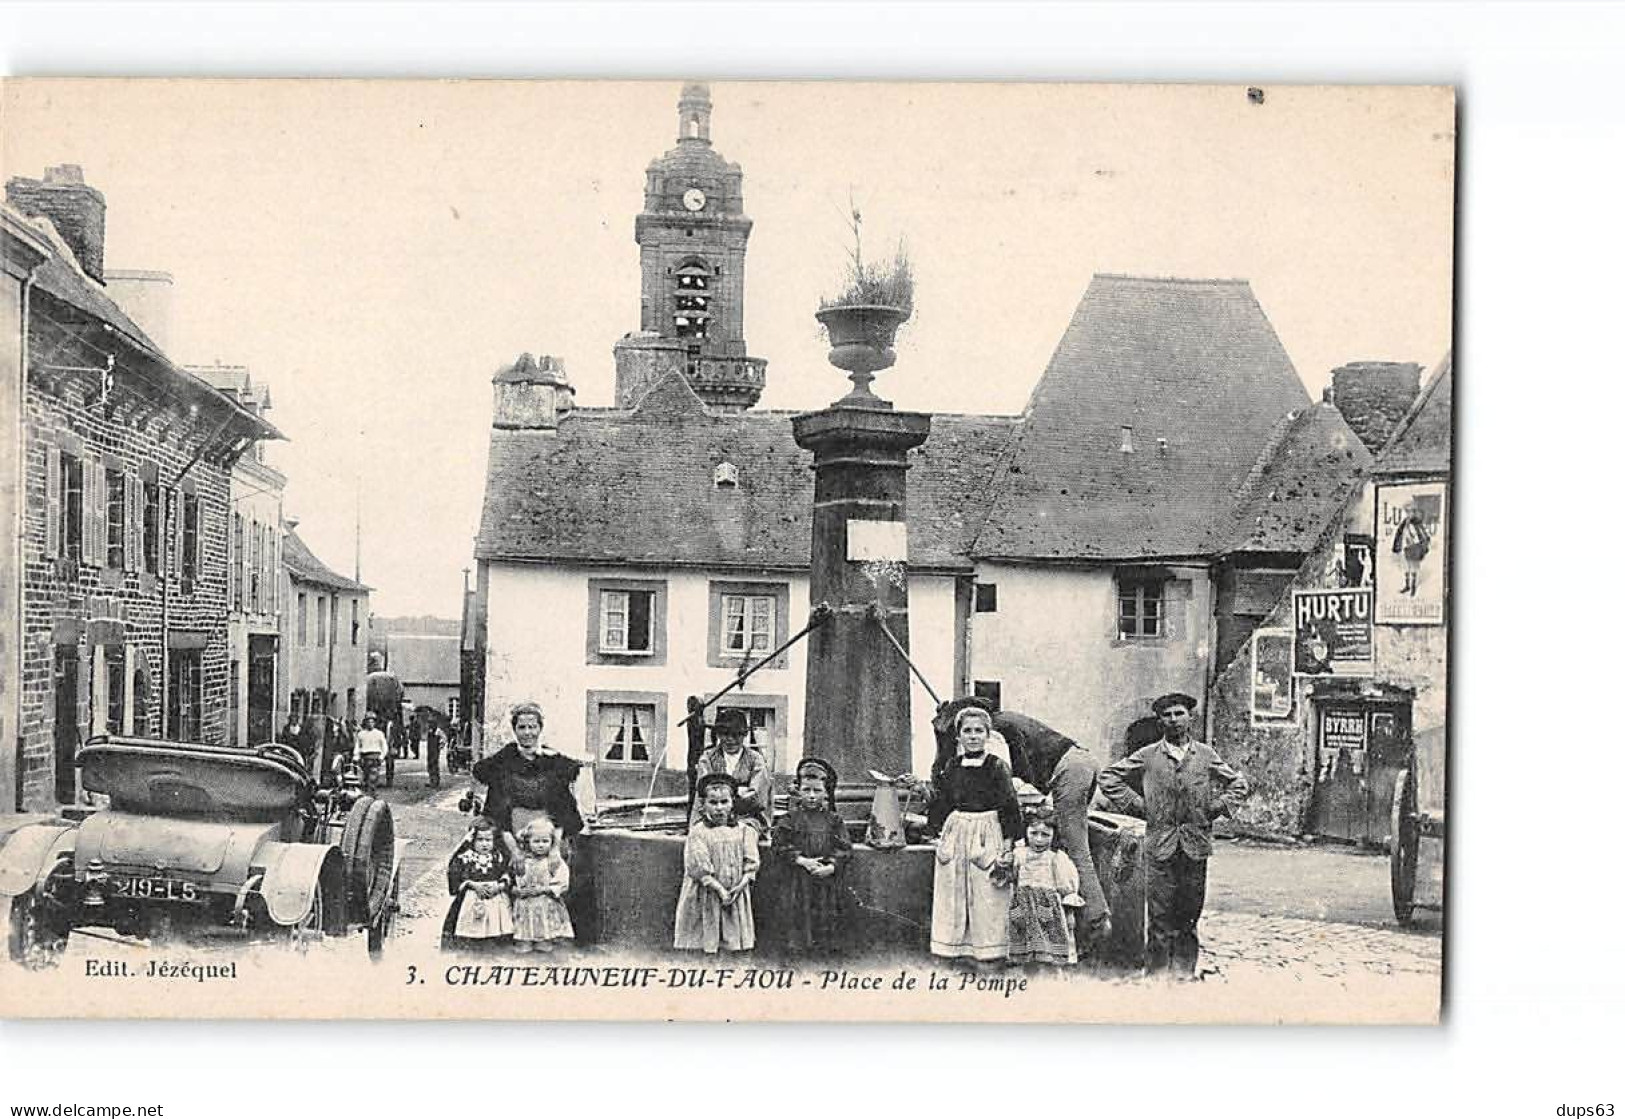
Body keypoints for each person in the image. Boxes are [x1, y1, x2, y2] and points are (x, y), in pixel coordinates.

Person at [932, 698, 1113, 955]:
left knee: (1075, 850)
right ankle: (1078, 927)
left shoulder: (998, 729)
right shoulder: (1007, 719)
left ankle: (1096, 924)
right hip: (1080, 762)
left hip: (1069, 769)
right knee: (1067, 846)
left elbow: (1018, 771)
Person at [1097, 692, 1250, 977]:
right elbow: (1109, 777)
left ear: (1190, 717)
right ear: (1160, 720)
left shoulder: (1205, 755)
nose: (1174, 720)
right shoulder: (1148, 755)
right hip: (1160, 845)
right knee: (1159, 916)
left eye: (1179, 713)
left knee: (1189, 915)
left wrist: (1216, 807)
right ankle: (1156, 977)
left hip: (1195, 845)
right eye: (1167, 715)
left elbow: (1237, 783)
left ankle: (1183, 976)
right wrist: (1140, 806)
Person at [923, 706, 1023, 966]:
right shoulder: (952, 766)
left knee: (987, 892)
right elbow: (942, 802)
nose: (973, 736)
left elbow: (1009, 806)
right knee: (954, 891)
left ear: (987, 735)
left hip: (987, 831)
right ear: (959, 736)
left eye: (979, 730)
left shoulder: (997, 767)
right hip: (957, 831)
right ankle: (955, 951)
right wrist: (935, 829)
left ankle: (989, 953)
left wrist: (1008, 845)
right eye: (967, 731)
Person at [471, 702, 587, 863]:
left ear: (540, 729)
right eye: (522, 727)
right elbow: (480, 771)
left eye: (532, 727)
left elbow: (565, 797)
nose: (527, 733)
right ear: (515, 730)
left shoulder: (551, 760)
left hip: (547, 835)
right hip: (509, 834)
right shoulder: (505, 758)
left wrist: (550, 756)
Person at [771, 757, 852, 956]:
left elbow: (844, 847)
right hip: (798, 879)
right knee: (798, 912)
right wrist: (801, 860)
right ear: (798, 791)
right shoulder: (789, 819)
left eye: (817, 790)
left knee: (825, 912)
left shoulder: (834, 820)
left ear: (826, 793)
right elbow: (779, 845)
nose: (812, 796)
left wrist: (831, 866)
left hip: (825, 879)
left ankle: (823, 950)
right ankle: (798, 950)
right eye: (806, 790)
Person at [674, 773, 759, 954]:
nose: (719, 808)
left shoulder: (745, 831)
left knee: (733, 943)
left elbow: (751, 863)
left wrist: (740, 885)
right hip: (708, 893)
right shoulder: (699, 832)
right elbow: (698, 867)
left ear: (732, 803)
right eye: (713, 803)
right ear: (703, 805)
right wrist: (719, 889)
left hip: (736, 892)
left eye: (724, 802)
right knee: (706, 940)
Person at [1006, 804, 1086, 968]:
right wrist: (1004, 865)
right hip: (1023, 910)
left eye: (1045, 835)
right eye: (1034, 833)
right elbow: (1010, 878)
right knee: (1026, 955)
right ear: (1026, 832)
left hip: (1048, 913)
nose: (1039, 839)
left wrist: (1070, 915)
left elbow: (1067, 889)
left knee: (1049, 955)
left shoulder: (1056, 858)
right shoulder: (1019, 854)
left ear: (1054, 835)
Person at [691, 708, 772, 835]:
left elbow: (757, 797)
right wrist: (739, 791)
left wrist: (726, 794)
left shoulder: (756, 760)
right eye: (725, 734)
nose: (730, 740)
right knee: (701, 835)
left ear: (744, 735)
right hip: (712, 816)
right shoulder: (707, 758)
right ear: (718, 735)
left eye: (736, 735)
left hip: (747, 818)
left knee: (742, 834)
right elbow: (704, 792)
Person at [441, 818, 514, 950]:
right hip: (471, 899)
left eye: (488, 840)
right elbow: (455, 874)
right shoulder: (465, 857)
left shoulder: (499, 856)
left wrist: (500, 886)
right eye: (480, 840)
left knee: (497, 928)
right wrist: (472, 884)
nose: (484, 844)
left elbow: (508, 872)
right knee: (470, 929)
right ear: (472, 840)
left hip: (496, 899)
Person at [510, 815, 573, 954]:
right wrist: (516, 890)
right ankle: (524, 940)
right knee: (523, 939)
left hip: (545, 900)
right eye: (536, 841)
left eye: (545, 841)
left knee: (544, 941)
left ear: (551, 842)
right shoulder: (522, 861)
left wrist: (543, 889)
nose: (540, 845)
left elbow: (562, 883)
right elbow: (511, 879)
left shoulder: (554, 862)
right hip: (526, 902)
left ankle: (543, 940)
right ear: (528, 842)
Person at [353, 711, 389, 792]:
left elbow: (384, 747)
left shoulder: (379, 733)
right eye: (368, 721)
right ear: (365, 722)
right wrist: (356, 756)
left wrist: (382, 756)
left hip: (374, 758)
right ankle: (365, 795)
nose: (370, 723)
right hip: (364, 758)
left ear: (375, 723)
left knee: (372, 779)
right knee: (364, 779)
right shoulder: (361, 734)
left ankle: (371, 795)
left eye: (372, 721)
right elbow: (357, 746)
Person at [425, 720, 444, 789]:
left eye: (430, 724)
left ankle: (435, 782)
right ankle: (431, 781)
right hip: (430, 750)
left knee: (434, 765)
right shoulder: (430, 731)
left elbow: (444, 739)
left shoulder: (438, 731)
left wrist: (441, 745)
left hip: (435, 751)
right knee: (430, 765)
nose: (429, 726)